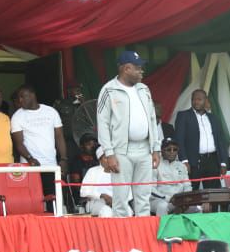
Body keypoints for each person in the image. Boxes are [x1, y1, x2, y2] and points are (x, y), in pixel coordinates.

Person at [96, 51, 161, 217]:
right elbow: (102, 124)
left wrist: (156, 148)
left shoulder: (144, 89)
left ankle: (143, 238)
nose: (142, 71)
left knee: (143, 198)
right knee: (121, 199)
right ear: (126, 69)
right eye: (138, 68)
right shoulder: (108, 90)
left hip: (145, 149)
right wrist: (109, 153)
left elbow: (153, 120)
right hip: (121, 151)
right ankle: (122, 240)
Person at [11, 85, 67, 198]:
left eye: (23, 97)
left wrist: (64, 159)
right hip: (29, 167)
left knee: (53, 199)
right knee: (33, 200)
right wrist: (30, 158)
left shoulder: (51, 112)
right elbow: (19, 143)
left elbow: (59, 137)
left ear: (32, 95)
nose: (20, 100)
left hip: (51, 165)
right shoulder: (17, 116)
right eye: (19, 98)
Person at [175, 89, 228, 190]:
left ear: (206, 101)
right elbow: (179, 140)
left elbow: (220, 140)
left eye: (199, 99)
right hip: (193, 161)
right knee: (191, 192)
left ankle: (213, 207)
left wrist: (223, 162)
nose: (196, 102)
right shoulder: (184, 116)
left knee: (213, 193)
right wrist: (184, 160)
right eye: (194, 99)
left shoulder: (213, 118)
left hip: (212, 160)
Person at [152, 138, 191, 217]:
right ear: (162, 151)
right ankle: (163, 229)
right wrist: (169, 199)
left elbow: (187, 186)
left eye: (175, 149)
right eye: (168, 149)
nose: (172, 152)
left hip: (179, 201)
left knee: (199, 208)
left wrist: (184, 200)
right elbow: (152, 190)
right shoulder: (155, 165)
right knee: (162, 206)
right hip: (160, 200)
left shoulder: (182, 166)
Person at [80, 149, 116, 217]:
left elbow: (128, 194)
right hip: (96, 202)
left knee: (127, 212)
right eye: (106, 158)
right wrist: (102, 196)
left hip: (117, 202)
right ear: (100, 159)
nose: (109, 160)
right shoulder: (92, 171)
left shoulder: (118, 172)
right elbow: (83, 192)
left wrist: (115, 201)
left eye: (111, 157)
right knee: (107, 212)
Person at [67, 132, 100, 207]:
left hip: (100, 195)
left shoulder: (99, 160)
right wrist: (90, 194)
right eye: (89, 144)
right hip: (84, 198)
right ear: (81, 147)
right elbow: (76, 184)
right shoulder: (76, 162)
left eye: (94, 144)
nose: (92, 146)